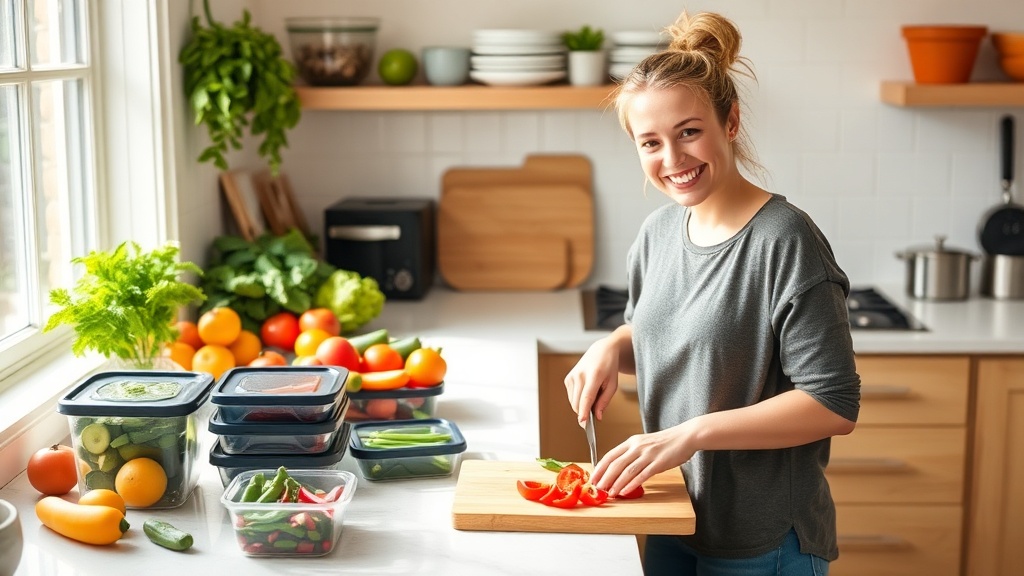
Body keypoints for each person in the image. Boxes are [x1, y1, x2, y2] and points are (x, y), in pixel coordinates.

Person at [563, 10, 861, 576]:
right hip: (677, 513)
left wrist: (691, 435)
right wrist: (611, 347)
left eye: (689, 132)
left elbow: (833, 402)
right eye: (650, 142)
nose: (672, 161)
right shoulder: (658, 233)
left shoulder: (784, 239)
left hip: (763, 537)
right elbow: (670, 338)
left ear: (730, 122)